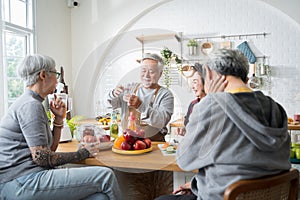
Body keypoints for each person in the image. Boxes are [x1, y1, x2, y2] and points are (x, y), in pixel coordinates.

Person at [156, 49, 291, 199]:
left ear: (211, 74)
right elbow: (244, 163)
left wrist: (209, 101)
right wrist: (196, 185)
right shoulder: (275, 108)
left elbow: (184, 160)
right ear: (244, 75)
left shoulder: (211, 106)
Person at [0, 54, 122, 200]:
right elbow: (43, 158)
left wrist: (59, 119)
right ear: (43, 75)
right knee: (105, 176)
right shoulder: (30, 105)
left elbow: (49, 151)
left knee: (100, 198)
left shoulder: (32, 102)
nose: (57, 80)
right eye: (56, 74)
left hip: (25, 180)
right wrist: (83, 153)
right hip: (22, 182)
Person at [106, 53, 174, 141]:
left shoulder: (166, 95)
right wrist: (113, 94)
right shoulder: (130, 88)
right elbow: (108, 104)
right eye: (143, 70)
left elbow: (161, 121)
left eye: (151, 71)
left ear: (160, 74)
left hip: (153, 144)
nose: (146, 75)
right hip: (128, 143)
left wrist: (140, 106)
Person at [175, 63, 206, 136]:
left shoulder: (215, 105)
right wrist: (184, 130)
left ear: (206, 83)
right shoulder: (193, 104)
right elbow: (188, 127)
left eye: (195, 82)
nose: (192, 87)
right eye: (192, 82)